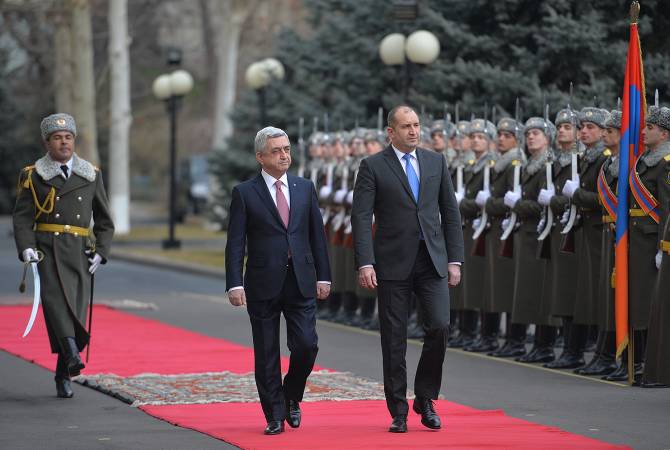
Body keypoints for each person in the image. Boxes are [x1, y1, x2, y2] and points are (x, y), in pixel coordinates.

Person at [352, 105, 464, 433]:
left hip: (432, 260)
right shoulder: (372, 166)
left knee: (440, 326)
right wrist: (365, 261)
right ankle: (398, 409)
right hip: (392, 263)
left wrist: (454, 260)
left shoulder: (435, 161)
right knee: (394, 339)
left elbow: (450, 211)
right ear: (391, 132)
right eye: (406, 126)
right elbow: (361, 217)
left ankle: (425, 398)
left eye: (416, 125)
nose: (414, 131)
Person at [225, 126, 331, 435]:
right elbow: (235, 242)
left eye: (286, 149)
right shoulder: (244, 192)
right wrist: (234, 283)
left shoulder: (304, 187)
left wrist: (324, 276)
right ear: (260, 157)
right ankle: (273, 414)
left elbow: (317, 236)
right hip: (262, 283)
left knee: (307, 346)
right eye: (276, 150)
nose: (284, 154)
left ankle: (291, 396)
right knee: (267, 353)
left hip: (301, 280)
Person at [13, 113, 115, 398]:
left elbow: (105, 220)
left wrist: (101, 252)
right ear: (47, 143)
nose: (64, 142)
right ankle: (71, 354)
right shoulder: (33, 175)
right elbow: (22, 218)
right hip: (47, 250)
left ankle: (63, 372)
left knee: (76, 313)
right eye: (57, 138)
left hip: (80, 253)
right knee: (57, 304)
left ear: (74, 140)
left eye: (68, 137)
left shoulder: (91, 174)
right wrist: (27, 247)